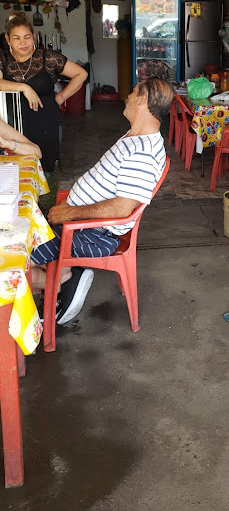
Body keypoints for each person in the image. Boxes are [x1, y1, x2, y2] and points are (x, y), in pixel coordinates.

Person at [30, 77, 174, 325]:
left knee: (11, 254)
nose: (127, 97)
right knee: (20, 225)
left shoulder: (143, 152)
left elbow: (122, 207)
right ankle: (62, 274)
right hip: (85, 225)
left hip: (92, 234)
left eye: (132, 92)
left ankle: (58, 280)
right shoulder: (136, 137)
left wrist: (70, 214)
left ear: (142, 100)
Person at [0, 11, 88, 173]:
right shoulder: (3, 58)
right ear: (8, 39)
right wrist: (24, 87)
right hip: (14, 125)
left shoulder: (47, 58)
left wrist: (61, 97)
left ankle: (48, 195)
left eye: (27, 37)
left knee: (46, 166)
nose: (23, 43)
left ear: (34, 36)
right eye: (16, 38)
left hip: (45, 121)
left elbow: (81, 74)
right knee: (17, 169)